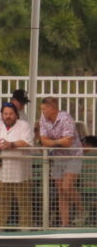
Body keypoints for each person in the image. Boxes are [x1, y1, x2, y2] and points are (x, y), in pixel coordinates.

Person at [0, 102, 34, 229]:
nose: (8, 116)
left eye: (11, 114)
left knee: (24, 202)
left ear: (16, 115)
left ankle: (25, 229)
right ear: (2, 115)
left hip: (20, 173)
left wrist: (11, 144)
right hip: (2, 173)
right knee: (3, 202)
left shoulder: (24, 125)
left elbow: (26, 142)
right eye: (5, 114)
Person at [37, 97, 84, 227]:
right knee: (61, 191)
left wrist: (52, 143)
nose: (42, 111)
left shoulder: (66, 118)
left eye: (44, 109)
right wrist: (58, 142)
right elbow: (44, 141)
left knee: (66, 186)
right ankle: (65, 224)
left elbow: (68, 142)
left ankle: (81, 210)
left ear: (52, 108)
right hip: (58, 156)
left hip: (73, 155)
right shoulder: (43, 119)